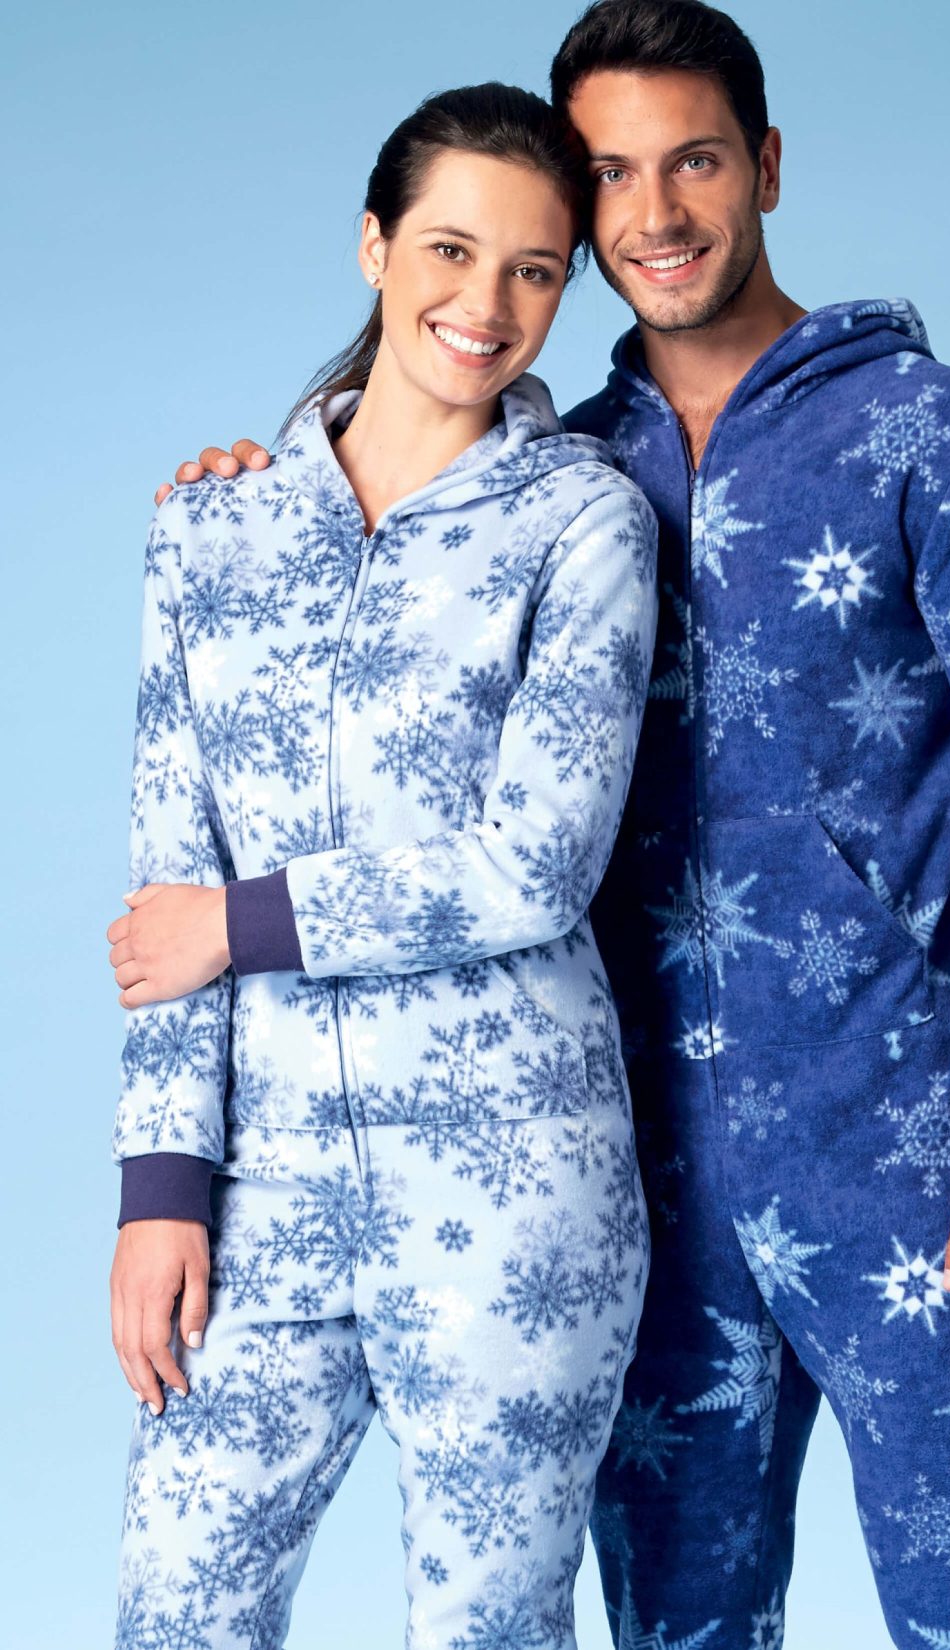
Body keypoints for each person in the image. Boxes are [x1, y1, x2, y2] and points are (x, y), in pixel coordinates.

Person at [144, 2, 950, 1646]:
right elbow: (370, 552)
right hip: (633, 1180)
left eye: (697, 162)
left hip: (910, 1153)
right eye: (610, 173)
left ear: (768, 166)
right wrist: (254, 479)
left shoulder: (937, 437)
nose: (657, 212)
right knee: (675, 1627)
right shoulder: (559, 474)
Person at [105, 81, 659, 1649]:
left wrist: (244, 923)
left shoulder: (586, 523)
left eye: (536, 269)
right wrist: (161, 1189)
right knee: (174, 1611)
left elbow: (534, 866)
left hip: (517, 1189)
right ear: (374, 245)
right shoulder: (209, 531)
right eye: (450, 250)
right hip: (264, 1189)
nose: (486, 303)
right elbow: (165, 880)